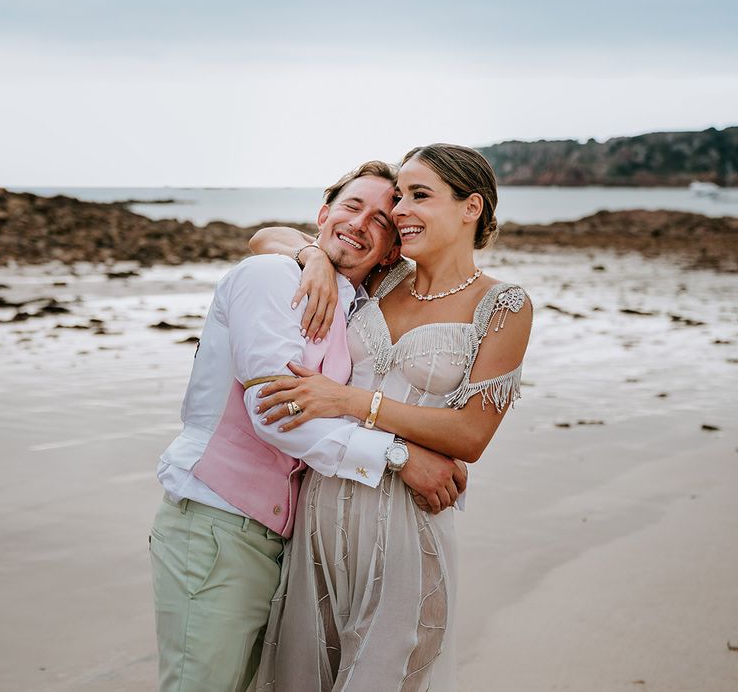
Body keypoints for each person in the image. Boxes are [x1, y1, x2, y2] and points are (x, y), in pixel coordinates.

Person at [149, 160, 466, 692]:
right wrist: (400, 456)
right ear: (323, 214)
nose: (362, 223)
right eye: (351, 207)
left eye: (382, 221)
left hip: (285, 540)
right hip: (216, 522)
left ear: (392, 249)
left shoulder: (359, 310)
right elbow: (277, 414)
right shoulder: (272, 277)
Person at [249, 143, 533, 691]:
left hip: (409, 520)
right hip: (321, 511)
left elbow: (471, 435)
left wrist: (351, 401)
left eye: (419, 196)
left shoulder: (503, 306)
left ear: (471, 207)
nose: (400, 209)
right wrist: (315, 260)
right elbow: (265, 239)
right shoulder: (382, 279)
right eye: (398, 196)